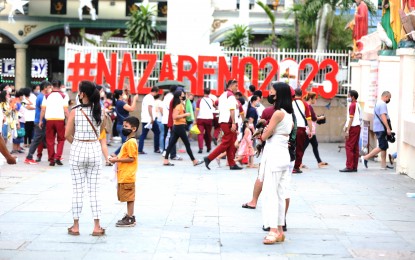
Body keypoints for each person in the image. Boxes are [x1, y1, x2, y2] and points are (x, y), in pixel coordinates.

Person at [65, 80, 105, 236]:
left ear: (82, 94)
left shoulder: (74, 111)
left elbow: (67, 134)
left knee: (77, 190)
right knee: (94, 190)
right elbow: (100, 133)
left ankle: (75, 226)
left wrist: (76, 143)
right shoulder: (100, 111)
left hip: (78, 149)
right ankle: (97, 226)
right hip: (94, 149)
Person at [260, 82, 293, 244]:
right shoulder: (289, 114)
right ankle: (279, 230)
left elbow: (264, 136)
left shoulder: (278, 113)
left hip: (274, 154)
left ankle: (273, 230)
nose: (270, 94)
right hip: (283, 155)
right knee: (280, 194)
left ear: (278, 94)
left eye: (272, 92)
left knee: (271, 193)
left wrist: (263, 131)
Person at [204, 80, 242, 170]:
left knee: (230, 143)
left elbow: (214, 104)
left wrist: (222, 110)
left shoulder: (223, 95)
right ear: (231, 86)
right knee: (226, 143)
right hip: (229, 121)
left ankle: (232, 164)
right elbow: (232, 110)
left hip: (223, 120)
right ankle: (209, 158)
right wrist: (233, 122)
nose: (237, 88)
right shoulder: (231, 96)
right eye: (236, 86)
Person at [109, 116, 139, 227]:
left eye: (126, 126)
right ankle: (129, 215)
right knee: (127, 197)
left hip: (128, 175)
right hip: (123, 174)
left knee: (130, 197)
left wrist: (117, 159)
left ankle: (130, 218)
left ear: (134, 129)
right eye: (123, 126)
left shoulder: (131, 142)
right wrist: (116, 157)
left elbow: (131, 158)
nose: (123, 128)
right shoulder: (128, 141)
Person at [163, 90, 203, 167]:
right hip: (179, 126)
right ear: (179, 96)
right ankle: (194, 160)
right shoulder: (178, 105)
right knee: (187, 144)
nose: (184, 95)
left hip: (177, 126)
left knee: (171, 144)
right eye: (182, 95)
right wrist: (185, 114)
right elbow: (174, 116)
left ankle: (165, 160)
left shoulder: (179, 104)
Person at [39, 80, 69, 166]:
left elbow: (43, 109)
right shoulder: (64, 95)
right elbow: (66, 110)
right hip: (60, 120)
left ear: (52, 86)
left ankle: (51, 160)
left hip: (49, 120)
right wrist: (70, 120)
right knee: (61, 139)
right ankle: (58, 157)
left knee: (50, 140)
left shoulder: (47, 96)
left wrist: (40, 120)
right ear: (60, 86)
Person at [362, 91, 393, 170]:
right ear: (386, 96)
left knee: (384, 146)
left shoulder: (378, 103)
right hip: (381, 128)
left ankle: (383, 165)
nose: (388, 100)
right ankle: (365, 157)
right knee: (382, 146)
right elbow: (383, 116)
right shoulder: (382, 104)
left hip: (378, 127)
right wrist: (387, 128)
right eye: (388, 98)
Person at [24, 81, 51, 164]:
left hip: (41, 121)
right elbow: (43, 109)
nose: (50, 89)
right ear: (45, 88)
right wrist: (41, 120)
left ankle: (53, 156)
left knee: (43, 139)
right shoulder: (42, 97)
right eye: (49, 87)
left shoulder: (41, 96)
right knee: (36, 139)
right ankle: (29, 157)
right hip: (40, 121)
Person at [303, 92, 328, 168]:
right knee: (303, 146)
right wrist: (321, 117)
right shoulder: (309, 106)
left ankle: (319, 162)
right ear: (311, 99)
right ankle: (298, 162)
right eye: (315, 99)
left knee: (315, 144)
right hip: (309, 130)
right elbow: (313, 118)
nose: (316, 100)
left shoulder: (306, 105)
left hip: (310, 130)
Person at [292, 88, 313, 173]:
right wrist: (310, 131)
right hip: (301, 129)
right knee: (299, 149)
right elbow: (309, 119)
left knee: (290, 147)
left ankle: (289, 165)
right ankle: (296, 167)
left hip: (291, 128)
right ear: (302, 94)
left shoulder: (290, 103)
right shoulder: (305, 104)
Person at [340, 90, 362, 172]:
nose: (347, 97)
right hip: (358, 127)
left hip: (353, 127)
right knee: (355, 147)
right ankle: (354, 166)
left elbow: (351, 119)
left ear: (352, 97)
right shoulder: (358, 105)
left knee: (349, 147)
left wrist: (347, 130)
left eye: (348, 95)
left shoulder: (352, 105)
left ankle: (349, 166)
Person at [113, 90, 138, 155]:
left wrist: (129, 95)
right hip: (123, 126)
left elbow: (127, 104)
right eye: (123, 93)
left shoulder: (118, 102)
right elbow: (131, 109)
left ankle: (120, 155)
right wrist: (135, 99)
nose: (125, 94)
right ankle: (114, 154)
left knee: (125, 142)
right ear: (120, 95)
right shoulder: (121, 103)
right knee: (126, 142)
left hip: (120, 125)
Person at [138, 86, 161, 154]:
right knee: (157, 132)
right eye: (157, 93)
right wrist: (151, 117)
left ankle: (140, 149)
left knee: (144, 134)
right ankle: (156, 148)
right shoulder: (150, 98)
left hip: (145, 118)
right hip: (149, 119)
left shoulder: (146, 97)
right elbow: (149, 108)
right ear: (155, 92)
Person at [161, 85, 181, 160]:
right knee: (173, 137)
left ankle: (166, 151)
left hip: (165, 119)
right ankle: (173, 154)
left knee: (167, 136)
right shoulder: (172, 97)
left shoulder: (166, 96)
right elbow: (173, 108)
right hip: (170, 120)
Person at [195, 88, 214, 154]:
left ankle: (200, 147)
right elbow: (214, 108)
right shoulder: (211, 100)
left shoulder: (199, 100)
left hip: (200, 118)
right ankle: (208, 147)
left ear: (203, 92)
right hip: (209, 118)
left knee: (200, 133)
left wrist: (195, 119)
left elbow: (197, 110)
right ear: (209, 92)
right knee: (208, 134)